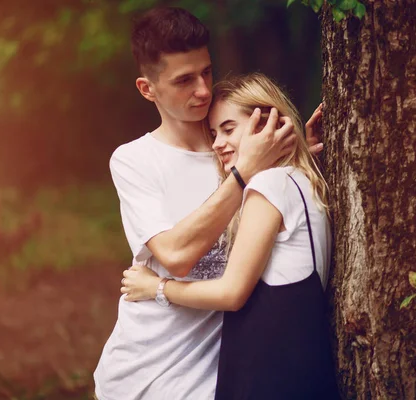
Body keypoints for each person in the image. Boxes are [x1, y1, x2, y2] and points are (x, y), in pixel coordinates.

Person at [93, 7, 312, 400]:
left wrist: (299, 156)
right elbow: (177, 255)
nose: (203, 90)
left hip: (217, 376)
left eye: (207, 72)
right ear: (148, 89)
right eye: (184, 80)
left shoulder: (233, 143)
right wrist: (244, 172)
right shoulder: (134, 160)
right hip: (144, 373)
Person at [121, 73, 339, 399]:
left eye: (228, 129)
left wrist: (157, 287)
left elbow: (231, 293)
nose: (217, 143)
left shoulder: (268, 187)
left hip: (267, 377)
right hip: (301, 369)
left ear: (265, 124)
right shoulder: (304, 181)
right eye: (213, 133)